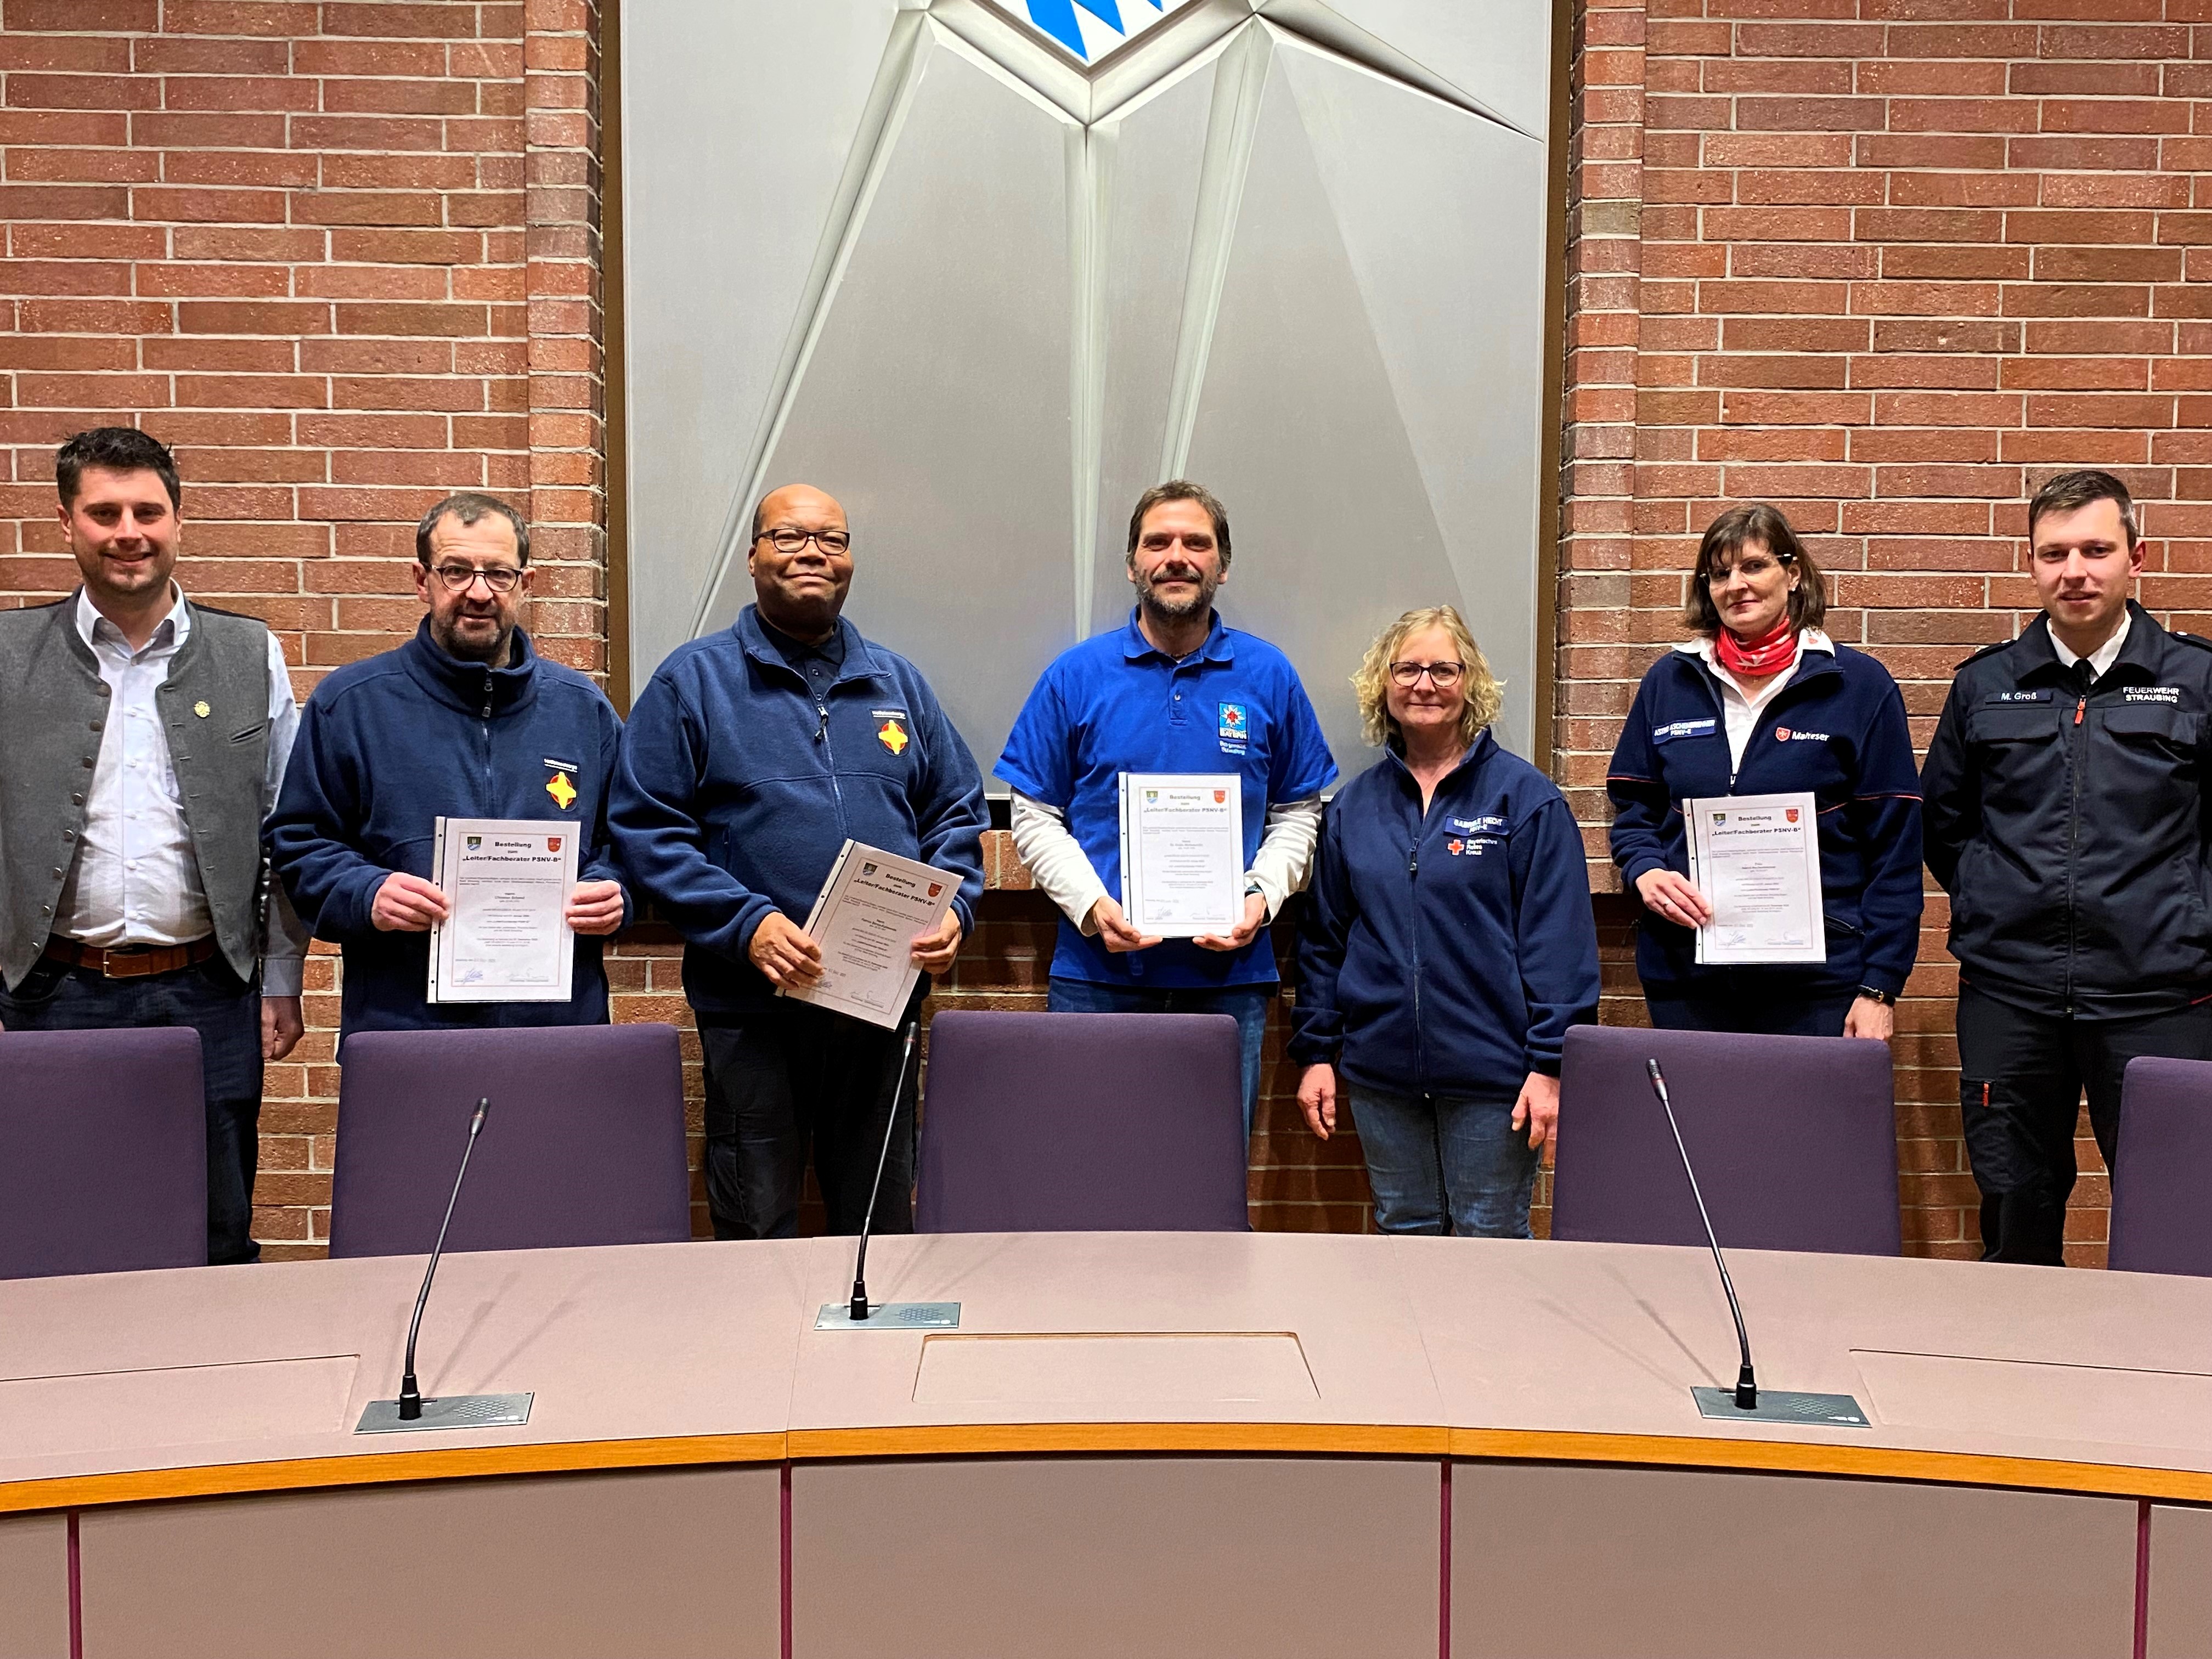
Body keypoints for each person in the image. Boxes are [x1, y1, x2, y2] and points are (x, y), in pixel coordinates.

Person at [610, 483, 987, 1240]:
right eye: (788, 537)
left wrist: (957, 908)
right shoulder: (693, 682)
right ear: (752, 556)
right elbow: (646, 827)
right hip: (754, 1009)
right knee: (756, 1218)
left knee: (878, 1221)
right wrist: (747, 926)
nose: (813, 551)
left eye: (833, 539)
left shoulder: (898, 683)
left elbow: (956, 812)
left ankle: (882, 1360)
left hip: (878, 1009)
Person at [0, 427, 310, 1265]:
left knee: (213, 1231)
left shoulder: (251, 654)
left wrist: (281, 981)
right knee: (51, 1235)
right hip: (47, 995)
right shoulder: (6, 657)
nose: (127, 530)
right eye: (104, 512)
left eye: (148, 510)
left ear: (179, 520)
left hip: (209, 992)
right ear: (66, 522)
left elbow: (286, 828)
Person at [1923, 469, 2212, 1265]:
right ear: (2031, 565)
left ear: (2136, 557)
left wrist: (2193, 918)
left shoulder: (2196, 681)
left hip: (2161, 993)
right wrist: (1994, 900)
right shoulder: (1985, 685)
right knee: (2016, 1204)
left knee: (2178, 1212)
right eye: (2054, 553)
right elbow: (1946, 824)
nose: (2074, 571)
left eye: (2095, 549)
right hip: (2011, 993)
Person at [996, 481, 1337, 1138]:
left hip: (1228, 982)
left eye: (1196, 543)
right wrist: (1095, 910)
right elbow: (1034, 813)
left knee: (1205, 1183)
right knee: (1089, 1172)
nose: (1176, 556)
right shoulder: (1076, 675)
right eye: (1158, 542)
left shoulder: (1269, 676)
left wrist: (1259, 899)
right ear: (1133, 564)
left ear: (1222, 565)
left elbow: (1298, 811)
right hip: (1098, 977)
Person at [268, 493, 629, 1043]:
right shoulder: (351, 705)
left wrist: (613, 886)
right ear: (422, 579)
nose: (479, 593)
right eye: (457, 572)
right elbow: (299, 843)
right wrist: (368, 893)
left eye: (499, 574)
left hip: (558, 1028)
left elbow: (631, 838)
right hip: (403, 1029)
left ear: (525, 585)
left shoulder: (583, 710)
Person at [1292, 608, 1598, 1237]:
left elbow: (1560, 948)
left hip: (1495, 1077)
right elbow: (1323, 942)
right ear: (1384, 683)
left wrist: (1550, 1067)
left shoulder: (1526, 800)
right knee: (1403, 1229)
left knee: (1489, 1236)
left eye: (1442, 669)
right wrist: (1318, 1052)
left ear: (1471, 683)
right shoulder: (1356, 806)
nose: (1423, 684)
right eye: (1406, 669)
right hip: (1381, 1075)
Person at [1606, 503, 1923, 1037]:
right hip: (1688, 977)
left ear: (1793, 574)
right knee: (1696, 1124)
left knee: (1802, 1124)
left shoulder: (1859, 686)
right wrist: (1646, 870)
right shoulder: (1670, 682)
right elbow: (1636, 809)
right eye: (1720, 573)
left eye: (1754, 566)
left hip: (1819, 989)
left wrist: (1878, 987)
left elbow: (1895, 850)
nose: (1737, 585)